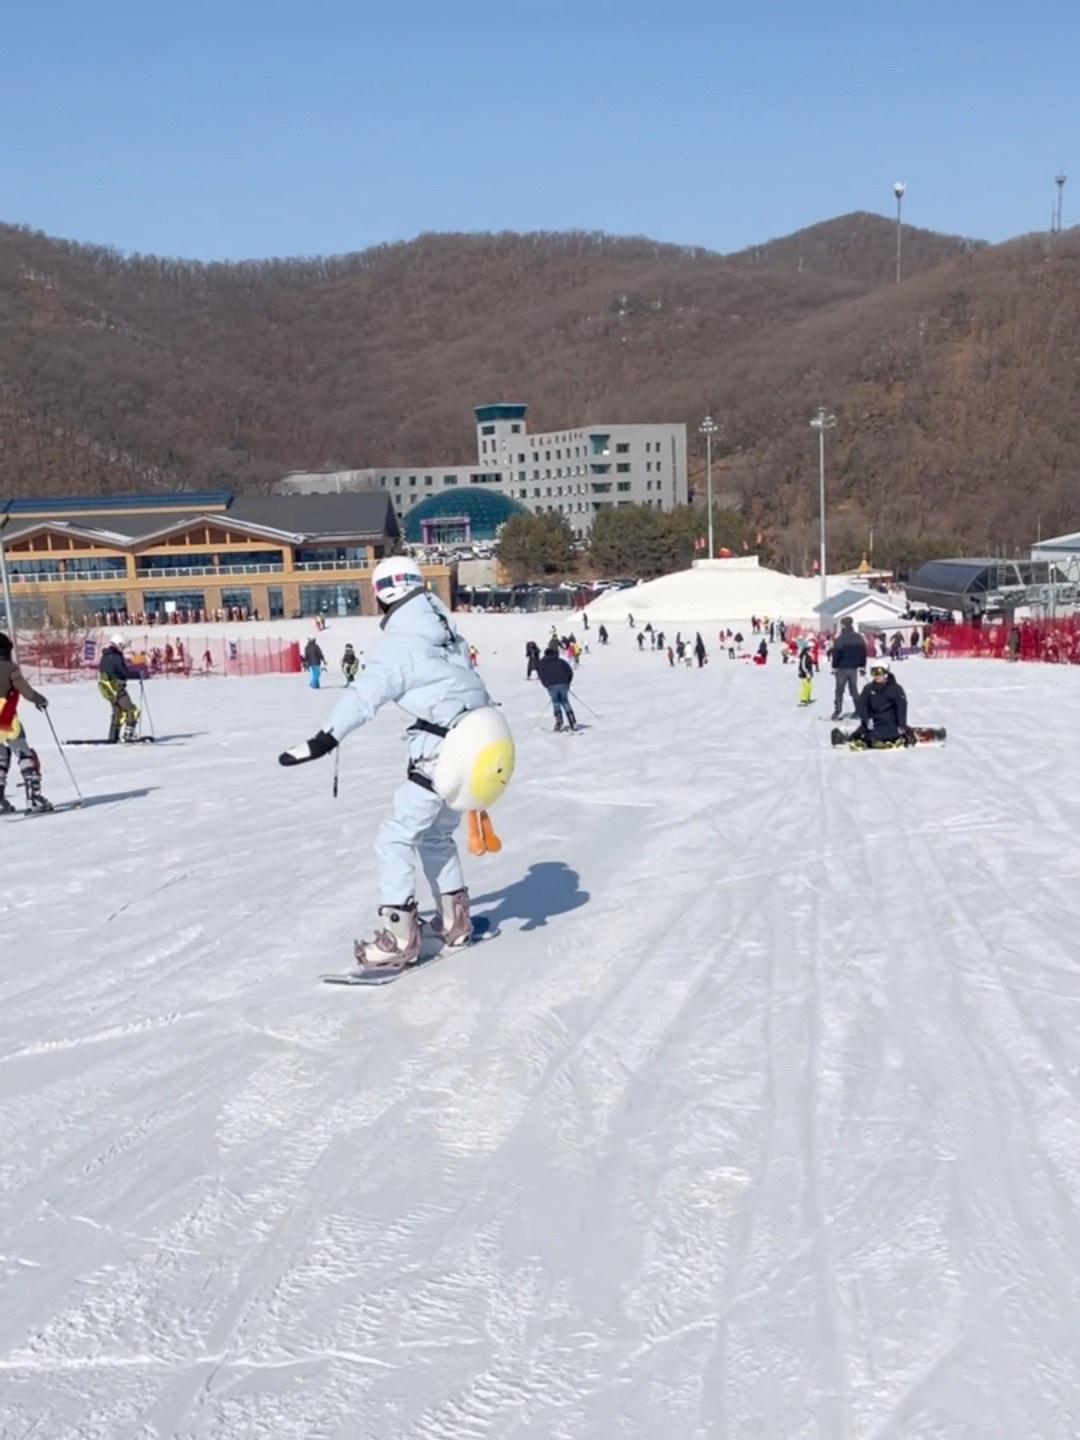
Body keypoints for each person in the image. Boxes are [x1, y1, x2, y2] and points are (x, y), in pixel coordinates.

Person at [279, 557, 492, 974]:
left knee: (395, 838)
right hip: (481, 744)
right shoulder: (450, 636)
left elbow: (364, 696)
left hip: (444, 750)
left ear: (383, 593)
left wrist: (325, 739)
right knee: (435, 835)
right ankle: (455, 921)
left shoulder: (401, 644)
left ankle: (398, 939)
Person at [0, 633, 52, 813]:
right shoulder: (10, 668)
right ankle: (34, 798)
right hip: (4, 714)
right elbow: (24, 689)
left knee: (0, 756)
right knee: (23, 752)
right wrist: (39, 699)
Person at [838, 662, 912, 748]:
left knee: (884, 734)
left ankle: (893, 740)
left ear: (886, 674)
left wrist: (902, 724)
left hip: (890, 722)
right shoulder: (868, 688)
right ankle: (864, 740)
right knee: (860, 735)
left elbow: (901, 708)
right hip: (873, 722)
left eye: (879, 672)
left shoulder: (895, 689)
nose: (876, 676)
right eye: (873, 672)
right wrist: (867, 719)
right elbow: (861, 706)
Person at [98, 634, 142, 743]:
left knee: (118, 712)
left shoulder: (104, 656)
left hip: (108, 690)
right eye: (121, 645)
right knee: (131, 710)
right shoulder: (116, 657)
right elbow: (124, 672)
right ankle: (128, 734)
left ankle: (113, 735)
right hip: (118, 689)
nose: (122, 648)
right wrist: (138, 674)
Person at [830, 616, 867, 721]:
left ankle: (837, 711)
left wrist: (834, 666)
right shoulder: (858, 638)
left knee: (839, 691)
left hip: (842, 668)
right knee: (854, 690)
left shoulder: (839, 639)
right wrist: (862, 666)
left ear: (843, 625)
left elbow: (836, 654)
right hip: (854, 668)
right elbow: (863, 653)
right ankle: (859, 711)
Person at [537, 643, 577, 732]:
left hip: (551, 685)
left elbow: (541, 675)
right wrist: (567, 682)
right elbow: (570, 672)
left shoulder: (542, 663)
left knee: (556, 702)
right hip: (563, 684)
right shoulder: (561, 661)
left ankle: (559, 722)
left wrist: (546, 684)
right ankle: (572, 721)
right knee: (565, 701)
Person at [797, 639, 814, 705]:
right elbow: (803, 665)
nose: (812, 649)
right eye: (812, 647)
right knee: (805, 686)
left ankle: (807, 698)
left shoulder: (809, 655)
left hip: (809, 673)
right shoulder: (805, 655)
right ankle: (803, 699)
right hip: (804, 673)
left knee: (809, 686)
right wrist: (806, 672)